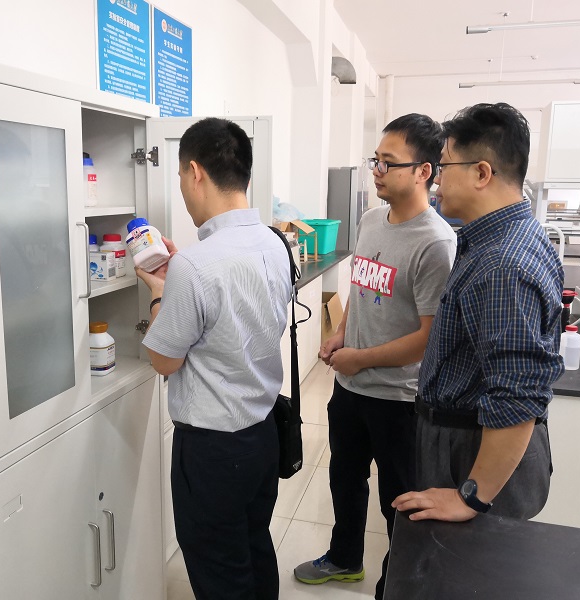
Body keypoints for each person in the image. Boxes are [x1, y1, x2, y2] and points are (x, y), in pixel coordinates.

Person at [294, 114, 457, 599]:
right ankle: (345, 559)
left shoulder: (435, 243)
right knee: (344, 480)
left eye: (389, 163)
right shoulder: (369, 220)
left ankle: (398, 583)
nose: (377, 171)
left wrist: (361, 359)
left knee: (398, 500)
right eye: (376, 160)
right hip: (351, 389)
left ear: (423, 171)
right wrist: (341, 334)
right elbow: (361, 289)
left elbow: (427, 338)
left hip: (398, 400)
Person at [137, 117, 292, 600]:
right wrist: (179, 282)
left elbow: (163, 360)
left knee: (220, 571)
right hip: (263, 435)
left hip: (213, 452)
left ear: (196, 172)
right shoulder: (274, 242)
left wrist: (160, 294)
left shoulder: (194, 265)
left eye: (181, 175)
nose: (183, 188)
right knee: (253, 546)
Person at [392, 103, 564, 524]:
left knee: (469, 561)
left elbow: (517, 396)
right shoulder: (499, 238)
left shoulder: (503, 263)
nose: (436, 180)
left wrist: (471, 496)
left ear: (482, 173)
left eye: (444, 166)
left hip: (472, 451)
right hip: (461, 440)